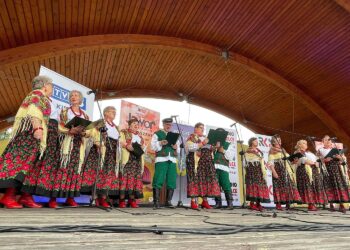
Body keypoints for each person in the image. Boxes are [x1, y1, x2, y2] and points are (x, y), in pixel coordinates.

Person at [0, 75, 52, 208]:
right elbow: (34, 111)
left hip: (27, 136)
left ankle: (25, 197)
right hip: (29, 136)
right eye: (51, 86)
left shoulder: (36, 96)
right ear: (45, 86)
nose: (52, 89)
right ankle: (9, 196)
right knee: (22, 164)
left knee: (30, 166)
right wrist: (38, 128)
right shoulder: (38, 95)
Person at [51, 90, 92, 207]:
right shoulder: (64, 111)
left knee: (75, 170)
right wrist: (69, 130)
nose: (73, 97)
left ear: (81, 100)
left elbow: (89, 132)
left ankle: (70, 197)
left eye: (76, 95)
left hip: (79, 145)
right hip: (66, 143)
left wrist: (84, 133)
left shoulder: (85, 115)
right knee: (62, 168)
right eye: (71, 96)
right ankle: (53, 199)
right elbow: (58, 126)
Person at [81, 106, 120, 208]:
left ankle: (103, 198)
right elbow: (89, 131)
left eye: (115, 112)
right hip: (101, 149)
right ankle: (95, 197)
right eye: (112, 112)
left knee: (107, 174)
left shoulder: (116, 127)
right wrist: (85, 133)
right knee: (98, 172)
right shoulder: (100, 122)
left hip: (112, 151)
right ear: (106, 113)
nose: (114, 114)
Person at [186, 122, 221, 209]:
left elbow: (210, 149)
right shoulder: (192, 137)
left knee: (206, 180)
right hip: (196, 162)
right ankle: (193, 202)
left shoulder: (206, 138)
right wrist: (202, 143)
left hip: (206, 162)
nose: (202, 129)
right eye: (201, 127)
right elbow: (189, 148)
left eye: (203, 128)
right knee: (195, 180)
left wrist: (215, 147)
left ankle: (205, 201)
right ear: (196, 128)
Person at [151, 117, 179, 209]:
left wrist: (176, 147)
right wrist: (160, 143)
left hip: (172, 159)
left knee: (171, 181)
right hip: (162, 159)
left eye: (170, 125)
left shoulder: (174, 135)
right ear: (163, 124)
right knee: (158, 179)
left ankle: (168, 201)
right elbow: (153, 147)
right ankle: (156, 202)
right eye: (167, 124)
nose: (168, 126)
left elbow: (177, 149)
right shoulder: (157, 134)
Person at [268, 135, 301, 210]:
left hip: (286, 170)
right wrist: (274, 172)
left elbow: (289, 161)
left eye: (280, 140)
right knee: (278, 187)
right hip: (278, 170)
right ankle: (278, 204)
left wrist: (294, 161)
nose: (279, 141)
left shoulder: (283, 150)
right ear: (273, 142)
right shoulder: (272, 150)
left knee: (288, 186)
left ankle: (287, 203)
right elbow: (270, 162)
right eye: (277, 140)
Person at [318, 135, 349, 213]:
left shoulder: (335, 150)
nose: (328, 141)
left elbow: (343, 162)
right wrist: (324, 160)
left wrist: (339, 157)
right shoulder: (320, 150)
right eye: (326, 140)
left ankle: (341, 204)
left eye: (329, 140)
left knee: (339, 185)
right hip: (327, 170)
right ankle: (331, 204)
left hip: (336, 169)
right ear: (323, 142)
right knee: (329, 185)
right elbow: (318, 160)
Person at [119, 117, 144, 208]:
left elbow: (142, 149)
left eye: (137, 124)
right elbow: (120, 142)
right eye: (134, 124)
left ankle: (132, 200)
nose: (136, 125)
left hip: (137, 160)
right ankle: (121, 200)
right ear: (129, 125)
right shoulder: (124, 132)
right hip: (128, 158)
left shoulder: (140, 137)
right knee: (125, 179)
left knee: (134, 180)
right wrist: (126, 145)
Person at [294, 140, 327, 212]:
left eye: (306, 143)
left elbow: (316, 159)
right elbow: (303, 160)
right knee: (308, 186)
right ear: (299, 145)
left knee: (314, 186)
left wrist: (318, 160)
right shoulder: (298, 152)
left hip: (313, 170)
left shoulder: (309, 152)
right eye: (303, 143)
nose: (306, 144)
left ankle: (313, 203)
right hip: (304, 171)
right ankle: (311, 204)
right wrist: (313, 163)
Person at [245, 137, 271, 211]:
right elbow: (248, 152)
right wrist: (253, 151)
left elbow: (261, 158)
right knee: (254, 185)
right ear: (251, 142)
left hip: (259, 169)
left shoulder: (258, 150)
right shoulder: (249, 149)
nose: (257, 142)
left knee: (259, 186)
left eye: (257, 141)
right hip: (253, 169)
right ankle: (252, 204)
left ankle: (258, 204)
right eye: (255, 141)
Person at [213, 136, 235, 209]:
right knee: (216, 185)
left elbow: (231, 157)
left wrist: (223, 151)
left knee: (226, 184)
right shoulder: (213, 144)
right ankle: (218, 203)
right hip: (214, 167)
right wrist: (213, 149)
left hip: (223, 167)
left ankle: (230, 204)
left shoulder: (228, 144)